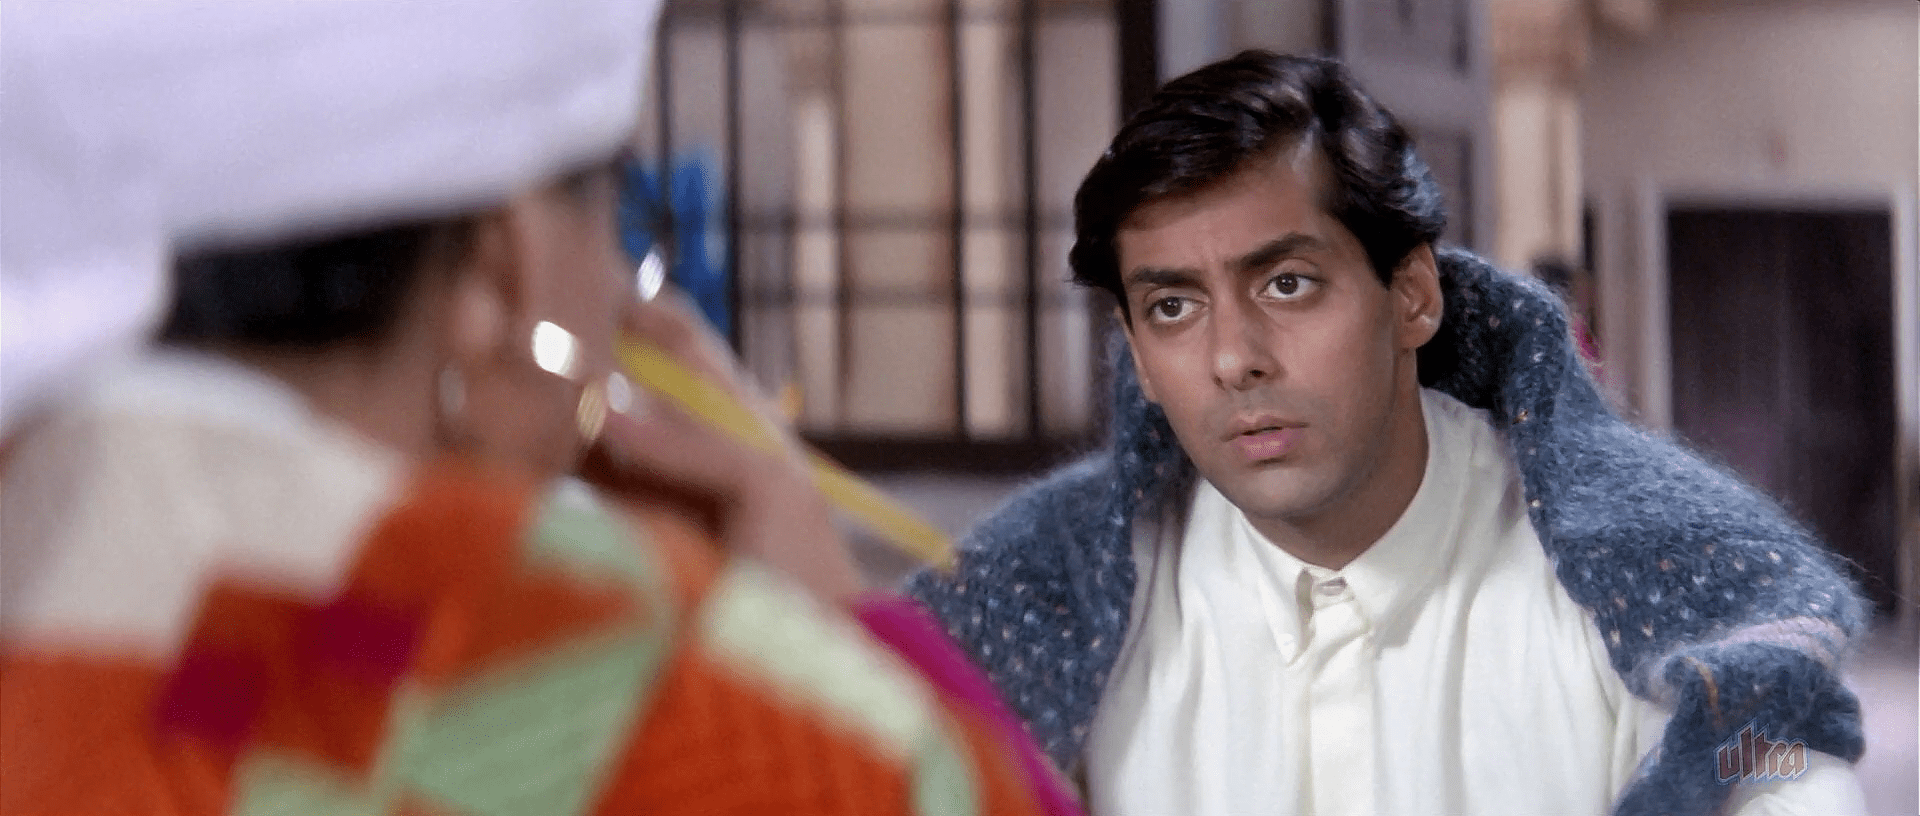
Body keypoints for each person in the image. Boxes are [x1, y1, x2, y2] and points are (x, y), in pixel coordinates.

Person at [0, 3, 1077, 814]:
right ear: (497, 277)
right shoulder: (697, 708)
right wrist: (842, 626)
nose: (618, 302)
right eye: (610, 239)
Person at [908, 51, 1869, 816]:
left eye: (1287, 284)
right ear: (1137, 357)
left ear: (1411, 296)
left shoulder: (1649, 589)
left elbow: (1789, 780)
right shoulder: (1058, 609)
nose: (1233, 358)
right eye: (1173, 307)